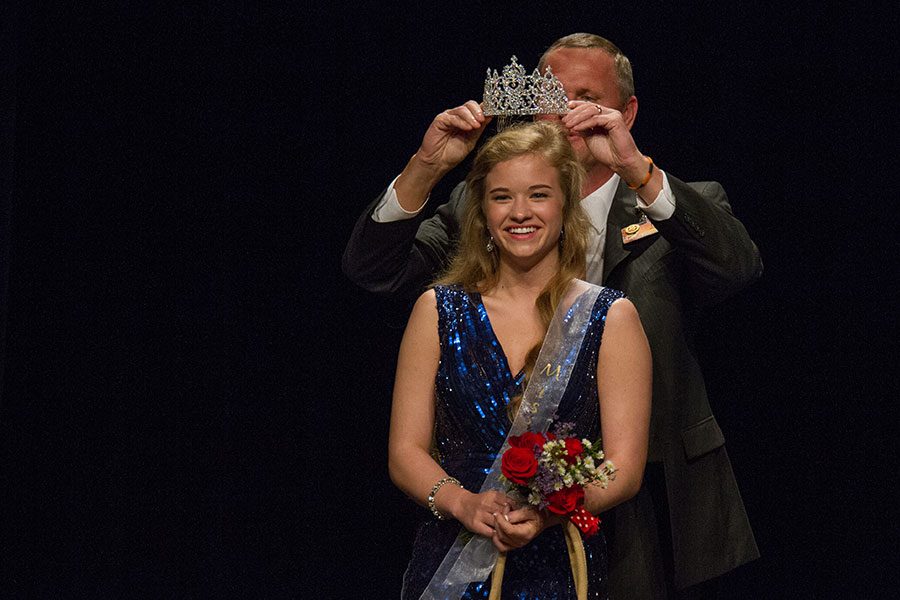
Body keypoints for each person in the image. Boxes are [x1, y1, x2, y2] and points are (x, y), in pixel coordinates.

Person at [346, 34, 762, 599]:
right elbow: (373, 269)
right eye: (552, 96)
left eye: (586, 96)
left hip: (648, 506)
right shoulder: (481, 206)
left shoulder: (669, 203)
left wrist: (636, 167)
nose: (566, 113)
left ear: (627, 112)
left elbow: (737, 268)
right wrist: (426, 166)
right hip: (484, 519)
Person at [389, 121, 652, 599]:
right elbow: (405, 452)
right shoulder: (437, 309)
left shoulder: (611, 318)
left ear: (566, 206)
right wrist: (463, 504)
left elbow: (623, 466)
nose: (520, 212)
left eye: (538, 195)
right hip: (450, 557)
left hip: (558, 565)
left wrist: (552, 508)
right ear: (481, 212)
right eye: (502, 197)